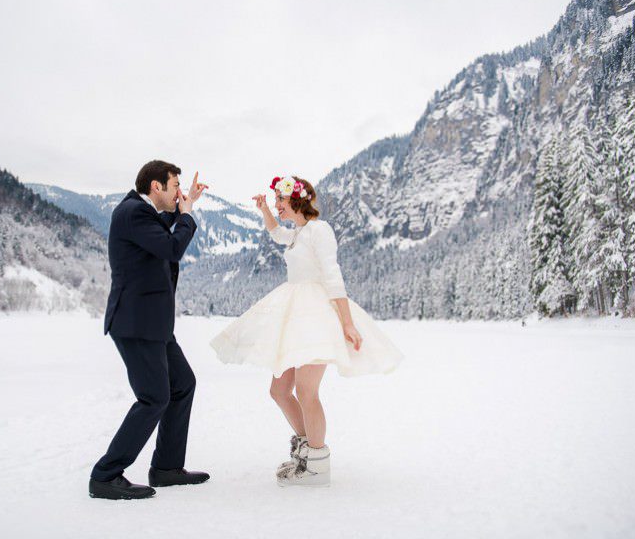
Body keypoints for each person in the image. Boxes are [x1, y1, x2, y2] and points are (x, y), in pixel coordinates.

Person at [209, 175, 404, 487]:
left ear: (296, 200)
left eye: (280, 201)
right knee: (279, 390)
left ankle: (316, 463)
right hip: (295, 310)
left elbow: (332, 274)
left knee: (306, 390)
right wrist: (265, 211)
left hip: (316, 314)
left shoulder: (319, 230)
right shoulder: (298, 233)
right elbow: (275, 233)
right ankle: (304, 452)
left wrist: (347, 322)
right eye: (275, 201)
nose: (277, 205)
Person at [89, 160, 210, 500]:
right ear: (156, 187)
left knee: (182, 384)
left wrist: (185, 209)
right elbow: (170, 247)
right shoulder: (131, 213)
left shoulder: (139, 214)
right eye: (175, 187)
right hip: (136, 323)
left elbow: (158, 235)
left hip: (153, 324)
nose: (179, 193)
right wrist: (186, 217)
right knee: (154, 397)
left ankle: (167, 468)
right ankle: (105, 475)